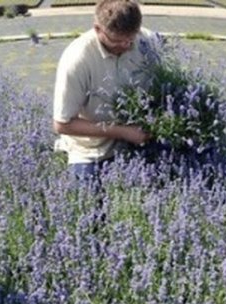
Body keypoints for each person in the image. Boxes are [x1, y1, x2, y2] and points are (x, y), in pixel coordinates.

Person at [52, 0, 157, 180]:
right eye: (116, 41)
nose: (125, 46)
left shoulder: (147, 42)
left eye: (130, 40)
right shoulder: (77, 59)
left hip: (140, 134)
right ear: (98, 29)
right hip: (92, 148)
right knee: (89, 199)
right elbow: (62, 124)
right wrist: (122, 131)